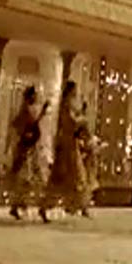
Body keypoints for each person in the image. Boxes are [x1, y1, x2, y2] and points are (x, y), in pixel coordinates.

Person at [43, 81, 90, 218]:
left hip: (70, 145)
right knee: (68, 176)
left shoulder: (69, 106)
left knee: (76, 176)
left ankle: (80, 206)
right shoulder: (66, 106)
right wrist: (82, 120)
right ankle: (49, 205)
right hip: (67, 146)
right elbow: (71, 123)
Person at [8, 85, 50, 221]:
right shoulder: (26, 110)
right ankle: (39, 208)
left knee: (31, 179)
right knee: (33, 179)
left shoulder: (26, 110)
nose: (36, 97)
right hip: (28, 149)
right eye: (34, 95)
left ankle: (20, 206)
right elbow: (30, 123)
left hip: (31, 148)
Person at [76, 123, 100, 217]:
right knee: (85, 188)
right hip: (85, 168)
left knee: (87, 189)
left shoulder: (89, 141)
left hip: (89, 168)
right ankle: (83, 207)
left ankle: (84, 207)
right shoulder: (80, 142)